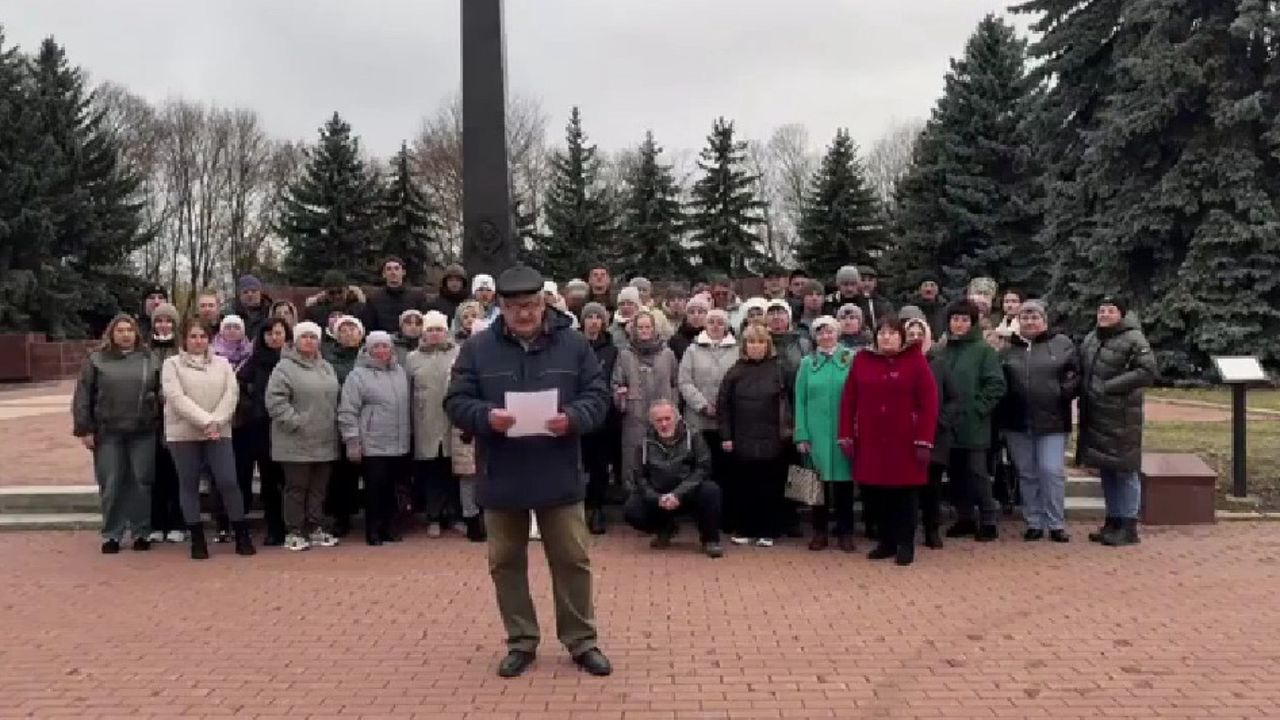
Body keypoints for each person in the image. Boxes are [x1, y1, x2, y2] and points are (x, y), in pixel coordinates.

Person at [444, 264, 612, 679]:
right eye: (516, 306)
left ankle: (582, 640)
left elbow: (598, 395)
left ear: (545, 303)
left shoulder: (573, 345)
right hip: (502, 472)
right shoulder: (477, 349)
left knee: (572, 559)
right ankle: (521, 640)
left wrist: (572, 417)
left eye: (532, 305)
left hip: (558, 471)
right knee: (505, 562)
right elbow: (456, 400)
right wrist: (486, 416)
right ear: (501, 306)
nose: (524, 314)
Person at [838, 316, 940, 566]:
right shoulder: (862, 360)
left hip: (905, 440)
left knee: (904, 495)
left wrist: (924, 440)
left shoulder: (915, 361)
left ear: (902, 337)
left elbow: (929, 402)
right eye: (881, 333)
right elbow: (849, 399)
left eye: (892, 333)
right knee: (876, 493)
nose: (886, 337)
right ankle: (886, 541)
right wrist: (846, 434)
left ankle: (905, 543)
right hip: (872, 439)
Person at [160, 318, 254, 560]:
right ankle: (197, 538)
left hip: (218, 432)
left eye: (202, 336)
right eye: (193, 336)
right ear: (184, 339)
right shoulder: (172, 365)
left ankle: (241, 533)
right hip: (184, 434)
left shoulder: (222, 364)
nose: (198, 341)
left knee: (228, 481)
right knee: (189, 484)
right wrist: (205, 421)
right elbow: (176, 397)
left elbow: (231, 393)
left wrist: (217, 421)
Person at [72, 314, 161, 554]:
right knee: (111, 483)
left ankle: (141, 531)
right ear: (111, 333)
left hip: (143, 431)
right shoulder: (96, 360)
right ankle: (112, 533)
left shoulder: (149, 359)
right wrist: (84, 428)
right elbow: (83, 395)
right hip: (108, 432)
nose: (125, 334)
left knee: (141, 482)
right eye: (120, 330)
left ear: (136, 333)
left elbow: (162, 394)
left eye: (129, 330)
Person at [1078, 297, 1157, 547]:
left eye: (1110, 311)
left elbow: (1147, 371)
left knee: (1125, 470)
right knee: (1106, 469)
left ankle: (1129, 524)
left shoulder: (1134, 338)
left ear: (1121, 314)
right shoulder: (1092, 338)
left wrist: (1109, 387)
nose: (1104, 314)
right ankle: (1113, 520)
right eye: (1101, 310)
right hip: (1097, 415)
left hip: (1122, 416)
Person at [999, 300, 1080, 543]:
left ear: (1044, 320)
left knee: (1051, 471)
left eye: (1035, 317)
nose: (1030, 322)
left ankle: (1055, 522)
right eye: (1025, 317)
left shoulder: (1061, 344)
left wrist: (1061, 392)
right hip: (1017, 422)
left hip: (1052, 421)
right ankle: (1034, 521)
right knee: (1027, 473)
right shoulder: (1007, 350)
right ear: (1018, 321)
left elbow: (1075, 373)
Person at [265, 321, 341, 551]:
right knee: (296, 489)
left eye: (313, 337)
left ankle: (315, 526)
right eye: (304, 337)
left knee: (318, 488)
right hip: (295, 440)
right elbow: (275, 400)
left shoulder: (326, 367)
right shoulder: (284, 368)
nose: (309, 341)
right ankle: (294, 531)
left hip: (325, 438)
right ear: (296, 341)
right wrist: (296, 421)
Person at [936, 301, 1007, 542]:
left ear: (973, 323)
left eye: (965, 319)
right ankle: (964, 517)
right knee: (955, 474)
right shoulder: (942, 351)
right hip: (947, 424)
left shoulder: (983, 350)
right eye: (955, 319)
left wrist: (979, 408)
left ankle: (988, 518)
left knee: (977, 473)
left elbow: (996, 384)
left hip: (973, 424)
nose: (959, 324)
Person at [717, 325, 789, 548]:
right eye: (751, 342)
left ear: (767, 345)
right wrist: (726, 436)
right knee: (744, 486)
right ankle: (746, 528)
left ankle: (768, 530)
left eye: (760, 342)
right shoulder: (734, 372)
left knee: (770, 486)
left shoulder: (779, 370)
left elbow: (789, 402)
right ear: (744, 346)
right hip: (742, 437)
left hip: (773, 438)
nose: (756, 347)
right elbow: (724, 407)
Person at [624, 400, 724, 558]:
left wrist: (678, 494)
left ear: (677, 418)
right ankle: (665, 528)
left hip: (688, 492)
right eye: (659, 420)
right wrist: (658, 498)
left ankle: (710, 539)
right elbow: (640, 477)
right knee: (632, 509)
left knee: (711, 491)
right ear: (652, 422)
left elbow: (703, 468)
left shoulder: (694, 436)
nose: (664, 424)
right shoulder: (643, 443)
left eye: (667, 418)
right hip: (659, 496)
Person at [338, 331, 412, 547]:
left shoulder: (400, 373)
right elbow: (347, 411)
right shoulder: (357, 376)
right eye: (376, 347)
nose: (381, 351)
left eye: (385, 347)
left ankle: (389, 527)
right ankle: (373, 530)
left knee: (392, 489)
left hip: (399, 443)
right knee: (375, 489)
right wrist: (352, 440)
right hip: (373, 444)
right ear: (368, 350)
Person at [794, 316, 857, 552]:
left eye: (829, 331)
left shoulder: (851, 359)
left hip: (843, 434)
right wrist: (801, 434)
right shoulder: (807, 364)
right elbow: (799, 400)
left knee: (844, 487)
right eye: (820, 333)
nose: (825, 336)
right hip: (815, 434)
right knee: (815, 487)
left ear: (837, 333)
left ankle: (845, 532)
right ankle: (819, 532)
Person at [677, 308, 739, 532]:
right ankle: (699, 518)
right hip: (698, 420)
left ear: (726, 326)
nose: (715, 326)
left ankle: (725, 517)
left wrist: (723, 408)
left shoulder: (737, 350)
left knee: (725, 471)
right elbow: (684, 381)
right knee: (699, 469)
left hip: (727, 423)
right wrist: (702, 404)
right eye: (711, 321)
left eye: (719, 322)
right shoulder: (692, 350)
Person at [406, 311, 463, 538]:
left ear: (446, 331)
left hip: (452, 423)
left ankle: (456, 515)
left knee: (455, 471)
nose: (435, 334)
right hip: (425, 423)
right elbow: (408, 393)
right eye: (430, 330)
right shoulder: (412, 358)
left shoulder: (458, 354)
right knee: (431, 473)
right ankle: (434, 517)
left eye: (439, 329)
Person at [237, 318, 292, 546]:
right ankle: (274, 527)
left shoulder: (293, 361)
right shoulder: (253, 362)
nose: (274, 337)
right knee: (269, 481)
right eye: (269, 333)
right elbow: (238, 386)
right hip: (261, 427)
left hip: (289, 427)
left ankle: (294, 524)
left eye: (278, 333)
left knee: (289, 479)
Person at [613, 311, 679, 497]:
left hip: (663, 418)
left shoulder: (667, 354)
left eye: (647, 327)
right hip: (635, 416)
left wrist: (673, 409)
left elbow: (675, 384)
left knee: (662, 459)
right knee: (633, 458)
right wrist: (621, 397)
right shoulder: (625, 355)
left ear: (654, 329)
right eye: (640, 327)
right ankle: (633, 499)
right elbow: (617, 383)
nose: (644, 331)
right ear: (634, 330)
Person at [905, 316, 951, 549]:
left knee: (932, 486)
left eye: (919, 334)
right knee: (907, 488)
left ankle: (932, 530)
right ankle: (907, 531)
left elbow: (953, 397)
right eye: (910, 334)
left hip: (935, 433)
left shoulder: (939, 363)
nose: (915, 338)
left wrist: (941, 420)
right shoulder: (899, 362)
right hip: (903, 434)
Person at [146, 303, 185, 544]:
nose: (163, 325)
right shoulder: (145, 350)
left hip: (178, 418)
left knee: (178, 473)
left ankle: (178, 522)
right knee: (155, 474)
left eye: (168, 321)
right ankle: (156, 523)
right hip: (152, 421)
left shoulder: (182, 349)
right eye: (159, 321)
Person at [580, 302, 620, 535]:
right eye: (590, 316)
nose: (594, 321)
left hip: (604, 417)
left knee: (600, 466)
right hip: (579, 412)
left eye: (598, 317)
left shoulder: (612, 349)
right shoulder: (574, 346)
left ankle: (596, 508)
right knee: (578, 464)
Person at [323, 315, 365, 537]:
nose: (349, 334)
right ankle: (342, 517)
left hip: (371, 423)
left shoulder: (369, 356)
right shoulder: (328, 360)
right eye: (344, 330)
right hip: (340, 421)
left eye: (353, 329)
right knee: (341, 474)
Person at [360, 256, 431, 333]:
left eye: (396, 268)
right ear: (384, 274)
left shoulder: (417, 296)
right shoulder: (374, 298)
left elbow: (424, 322)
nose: (393, 272)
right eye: (389, 269)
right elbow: (368, 326)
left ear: (403, 272)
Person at [227, 275, 274, 340]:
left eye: (254, 291)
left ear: (260, 293)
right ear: (239, 295)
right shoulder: (230, 313)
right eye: (245, 292)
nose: (250, 294)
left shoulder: (271, 312)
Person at [667, 292, 707, 363]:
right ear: (687, 316)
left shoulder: (714, 337)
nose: (696, 315)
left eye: (700, 312)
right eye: (692, 312)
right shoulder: (676, 340)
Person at [609, 286, 643, 350]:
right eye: (622, 304)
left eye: (630, 303)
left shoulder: (648, 325)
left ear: (637, 306)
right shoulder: (611, 331)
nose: (625, 307)